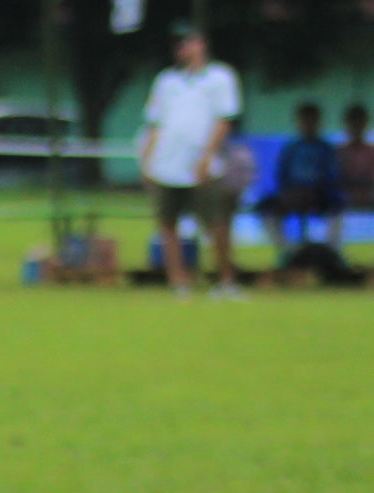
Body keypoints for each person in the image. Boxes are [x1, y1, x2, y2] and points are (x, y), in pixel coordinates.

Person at [138, 24, 242, 299]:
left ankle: (226, 280)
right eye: (179, 44)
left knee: (216, 223)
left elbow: (224, 120)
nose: (184, 49)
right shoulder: (166, 81)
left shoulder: (220, 77)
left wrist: (207, 156)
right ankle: (178, 281)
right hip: (166, 163)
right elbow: (155, 123)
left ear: (201, 44)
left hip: (202, 163)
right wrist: (147, 160)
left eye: (188, 43)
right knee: (167, 224)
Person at [262, 101, 344, 254]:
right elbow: (282, 175)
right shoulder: (291, 149)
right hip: (293, 194)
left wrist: (315, 190)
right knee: (266, 206)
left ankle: (332, 252)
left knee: (338, 204)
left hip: (320, 195)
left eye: (312, 120)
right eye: (304, 120)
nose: (308, 124)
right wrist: (290, 192)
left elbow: (332, 176)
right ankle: (287, 252)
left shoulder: (325, 148)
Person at [339, 103, 374, 211]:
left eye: (360, 121)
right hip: (344, 197)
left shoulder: (371, 152)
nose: (356, 126)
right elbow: (337, 180)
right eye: (353, 121)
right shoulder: (339, 153)